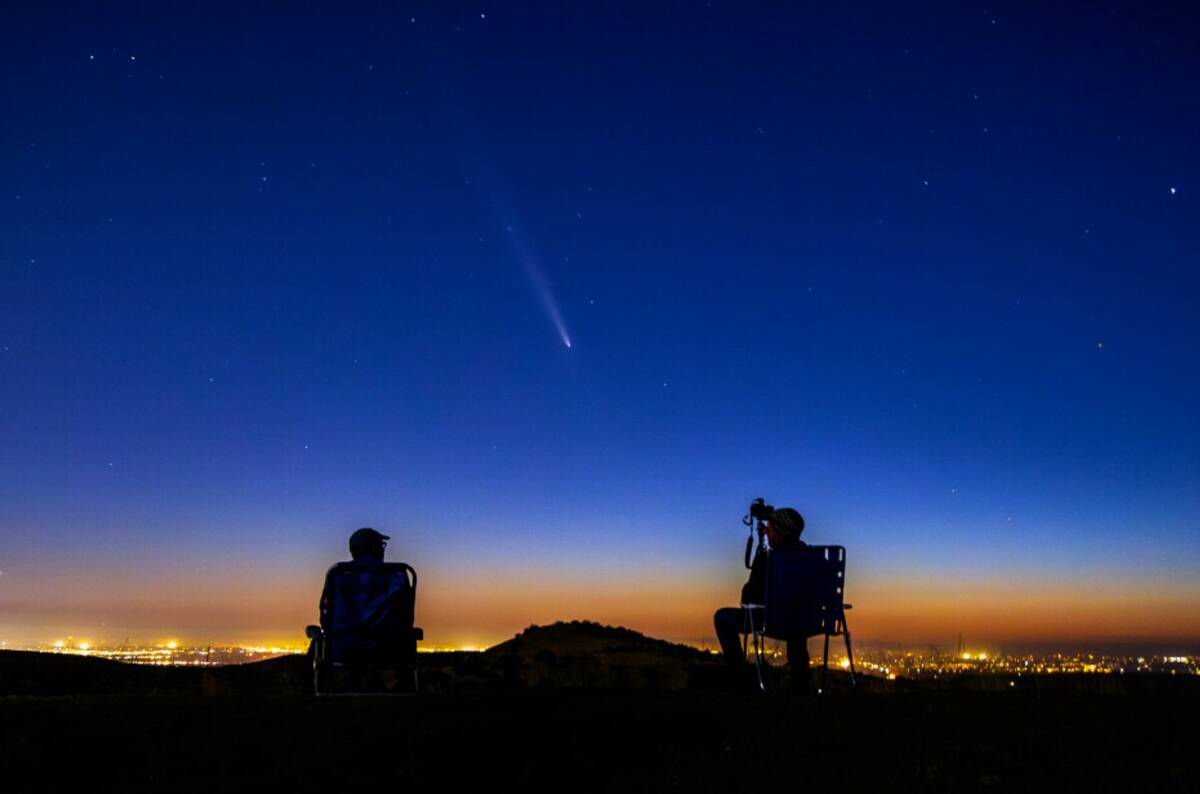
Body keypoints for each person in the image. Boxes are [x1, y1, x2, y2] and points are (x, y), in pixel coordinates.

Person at [712, 507, 811, 687]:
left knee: (722, 617)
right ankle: (801, 679)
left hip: (771, 620)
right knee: (797, 614)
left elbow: (748, 599)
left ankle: (738, 674)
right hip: (807, 621)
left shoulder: (770, 560)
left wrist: (761, 553)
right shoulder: (811, 558)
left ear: (779, 533)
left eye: (770, 528)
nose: (767, 531)